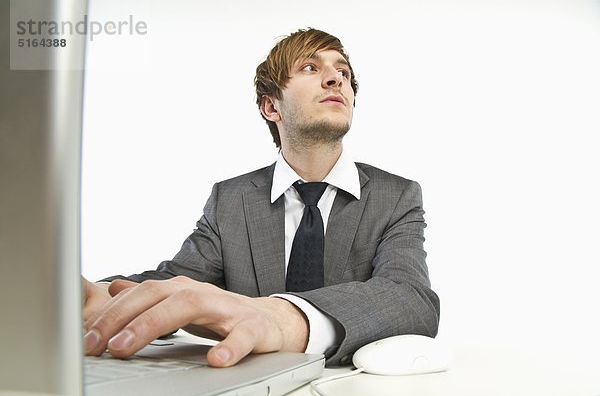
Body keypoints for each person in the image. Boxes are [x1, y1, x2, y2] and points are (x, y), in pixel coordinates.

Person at [83, 28, 440, 368]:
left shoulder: (396, 195)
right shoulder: (230, 199)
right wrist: (101, 294)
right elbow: (179, 280)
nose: (336, 79)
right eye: (310, 67)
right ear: (271, 107)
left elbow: (411, 298)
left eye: (343, 71)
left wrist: (280, 319)